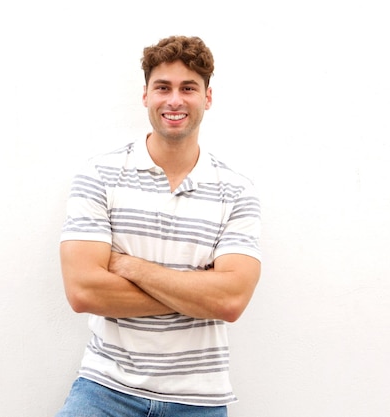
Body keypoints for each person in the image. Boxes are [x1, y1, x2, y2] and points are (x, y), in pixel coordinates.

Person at [55, 35, 261, 417]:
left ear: (208, 97)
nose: (175, 100)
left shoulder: (237, 191)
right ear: (146, 95)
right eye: (163, 87)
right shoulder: (99, 175)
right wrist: (198, 292)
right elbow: (83, 291)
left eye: (189, 88)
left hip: (198, 399)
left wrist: (128, 266)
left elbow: (230, 301)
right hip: (105, 391)